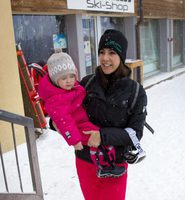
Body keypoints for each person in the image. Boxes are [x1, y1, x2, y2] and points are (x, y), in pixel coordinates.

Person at [74, 29, 147, 200]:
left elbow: (135, 134)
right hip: (86, 161)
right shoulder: (86, 84)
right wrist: (57, 122)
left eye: (112, 53)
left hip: (115, 163)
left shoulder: (135, 91)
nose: (105, 58)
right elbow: (69, 110)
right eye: (102, 52)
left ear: (121, 57)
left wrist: (103, 136)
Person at [37, 50, 128, 178]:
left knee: (104, 136)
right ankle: (106, 166)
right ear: (54, 79)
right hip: (79, 127)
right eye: (63, 78)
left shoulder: (70, 88)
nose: (69, 81)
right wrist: (74, 140)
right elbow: (64, 121)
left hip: (83, 121)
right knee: (101, 139)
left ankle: (110, 161)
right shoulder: (56, 100)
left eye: (72, 76)